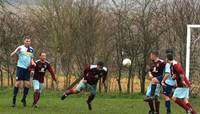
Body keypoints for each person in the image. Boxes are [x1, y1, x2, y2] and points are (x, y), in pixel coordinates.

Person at [10, 36, 35, 107]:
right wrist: (15, 52)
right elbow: (13, 53)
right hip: (20, 68)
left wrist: (33, 62)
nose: (28, 42)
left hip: (27, 69)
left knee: (28, 84)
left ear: (30, 42)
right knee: (18, 83)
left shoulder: (31, 49)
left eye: (29, 41)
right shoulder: (20, 47)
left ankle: (23, 99)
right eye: (26, 41)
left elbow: (31, 58)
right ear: (24, 41)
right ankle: (14, 100)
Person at [161, 50, 177, 114]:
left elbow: (167, 74)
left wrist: (162, 81)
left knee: (166, 96)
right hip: (174, 82)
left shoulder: (168, 64)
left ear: (167, 58)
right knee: (169, 96)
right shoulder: (175, 62)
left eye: (166, 57)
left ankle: (168, 111)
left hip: (169, 83)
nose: (165, 59)